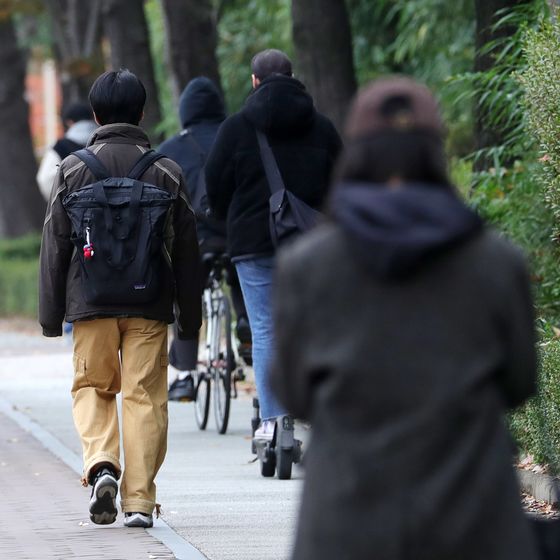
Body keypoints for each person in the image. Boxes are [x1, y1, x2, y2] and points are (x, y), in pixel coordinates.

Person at [270, 76, 539, 560]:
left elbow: (292, 391)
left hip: (346, 519)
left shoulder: (307, 266)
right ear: (435, 153)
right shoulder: (495, 261)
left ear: (357, 153)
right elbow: (520, 381)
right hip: (474, 516)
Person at [39, 69, 201, 528]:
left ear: (94, 116)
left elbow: (54, 246)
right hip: (148, 304)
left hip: (89, 305)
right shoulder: (166, 171)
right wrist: (190, 319)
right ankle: (138, 502)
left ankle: (102, 465)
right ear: (142, 113)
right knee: (144, 397)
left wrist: (52, 317)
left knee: (93, 388)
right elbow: (187, 251)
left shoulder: (71, 170)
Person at [205, 49, 342, 440]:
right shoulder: (322, 128)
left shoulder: (235, 128)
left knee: (265, 330)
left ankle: (272, 421)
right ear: (294, 77)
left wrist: (222, 215)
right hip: (311, 244)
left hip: (253, 242)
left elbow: (215, 185)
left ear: (254, 82)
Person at [158, 77, 251, 402]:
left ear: (185, 111)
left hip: (194, 240)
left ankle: (185, 375)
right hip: (238, 234)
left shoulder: (170, 149)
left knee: (185, 296)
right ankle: (246, 327)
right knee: (245, 276)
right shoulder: (240, 137)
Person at [36, 102, 97, 200]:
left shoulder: (60, 146)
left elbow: (45, 180)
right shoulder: (102, 141)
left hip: (74, 206)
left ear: (69, 122)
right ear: (93, 118)